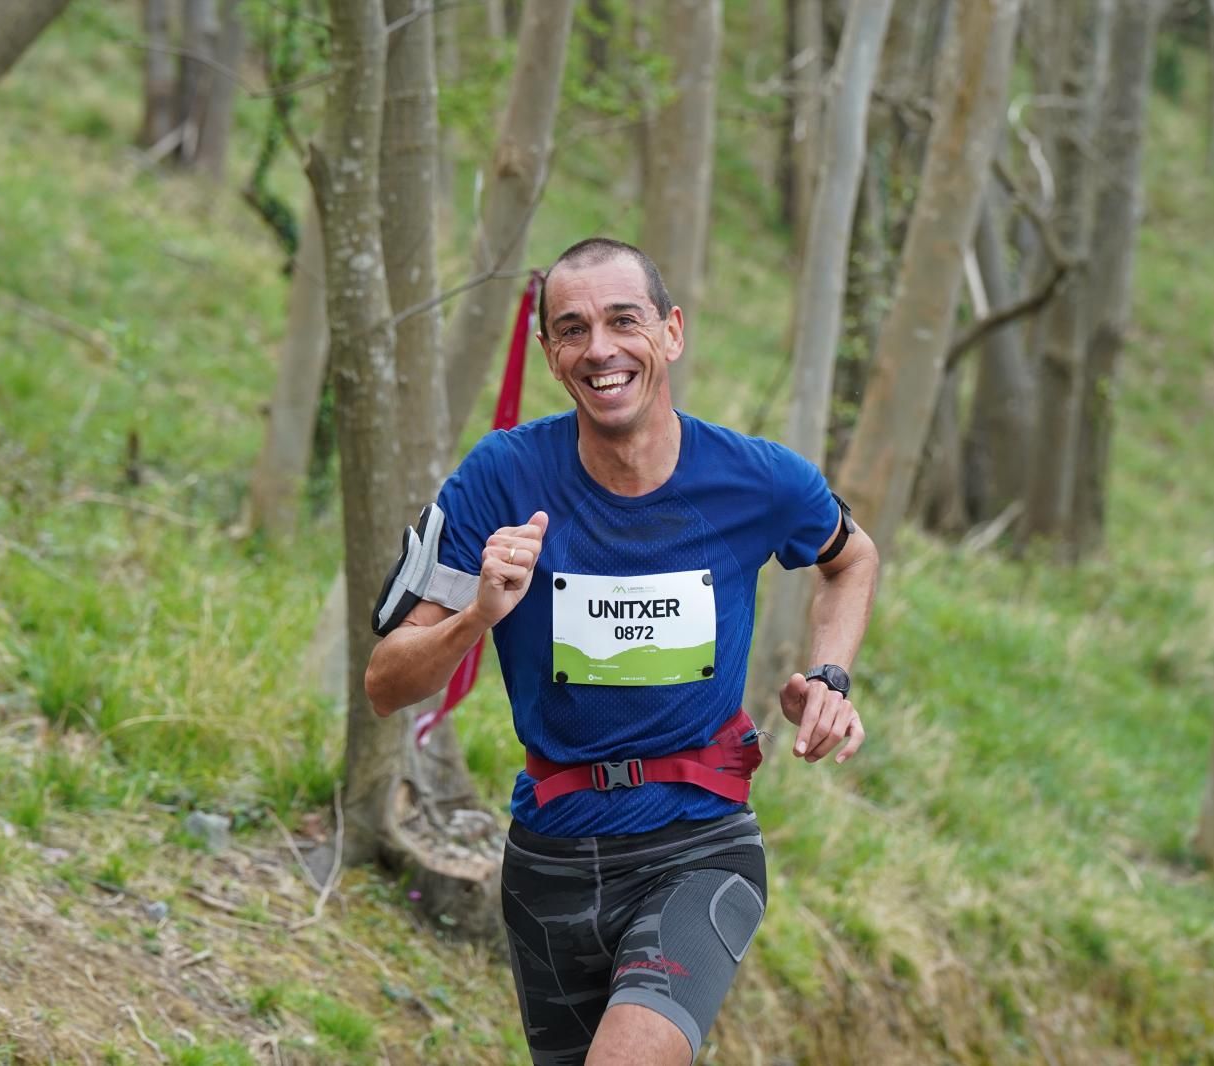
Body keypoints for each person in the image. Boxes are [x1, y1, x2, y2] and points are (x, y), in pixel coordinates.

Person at [365, 237, 878, 1065]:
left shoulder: (758, 479)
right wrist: (477, 617)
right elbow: (386, 684)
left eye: (623, 321)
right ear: (549, 354)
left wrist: (830, 677)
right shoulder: (500, 478)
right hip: (550, 856)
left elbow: (852, 558)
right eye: (572, 329)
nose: (599, 348)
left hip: (698, 845)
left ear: (671, 332)